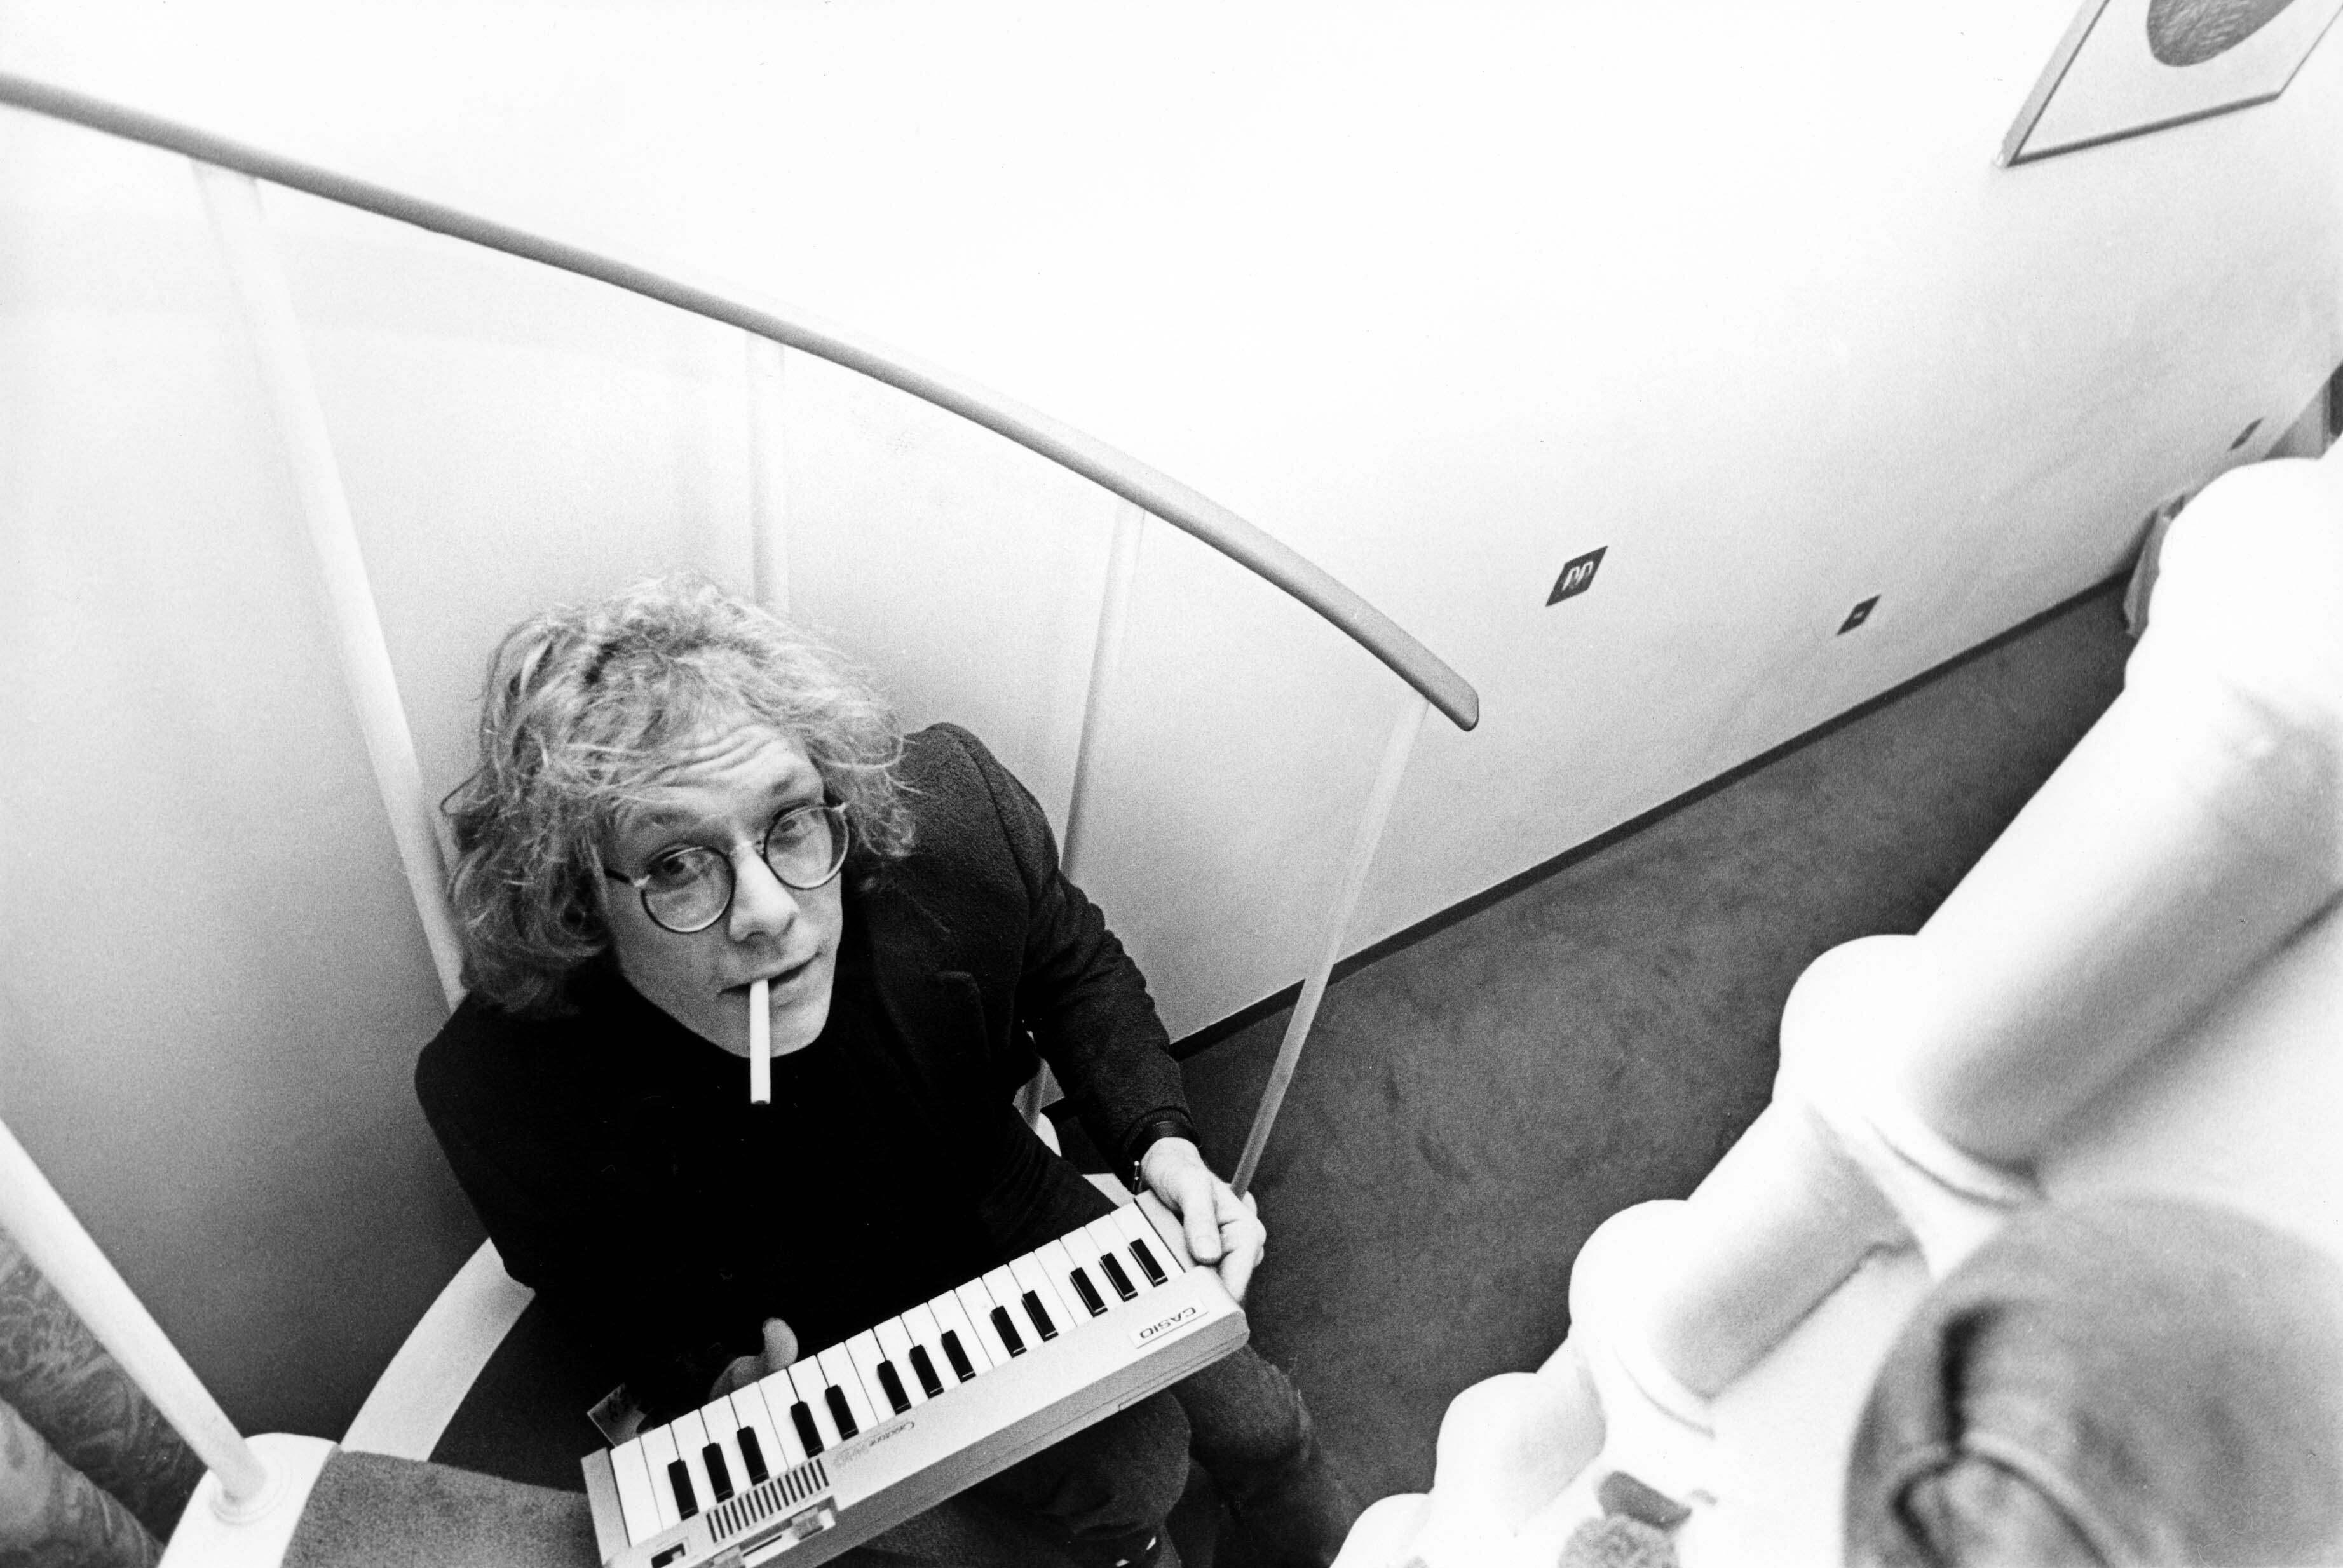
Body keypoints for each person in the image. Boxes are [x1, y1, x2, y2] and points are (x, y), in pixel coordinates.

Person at [415, 575, 1359, 1568]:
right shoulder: (500, 1089)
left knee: (1263, 1428)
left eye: (788, 821)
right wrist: (711, 1380)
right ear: (575, 897)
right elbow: (596, 1292)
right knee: (1130, 1481)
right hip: (801, 1317)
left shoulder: (955, 821)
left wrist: (1159, 1143)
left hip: (989, 1186)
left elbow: (1071, 963)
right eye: (676, 865)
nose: (769, 911)